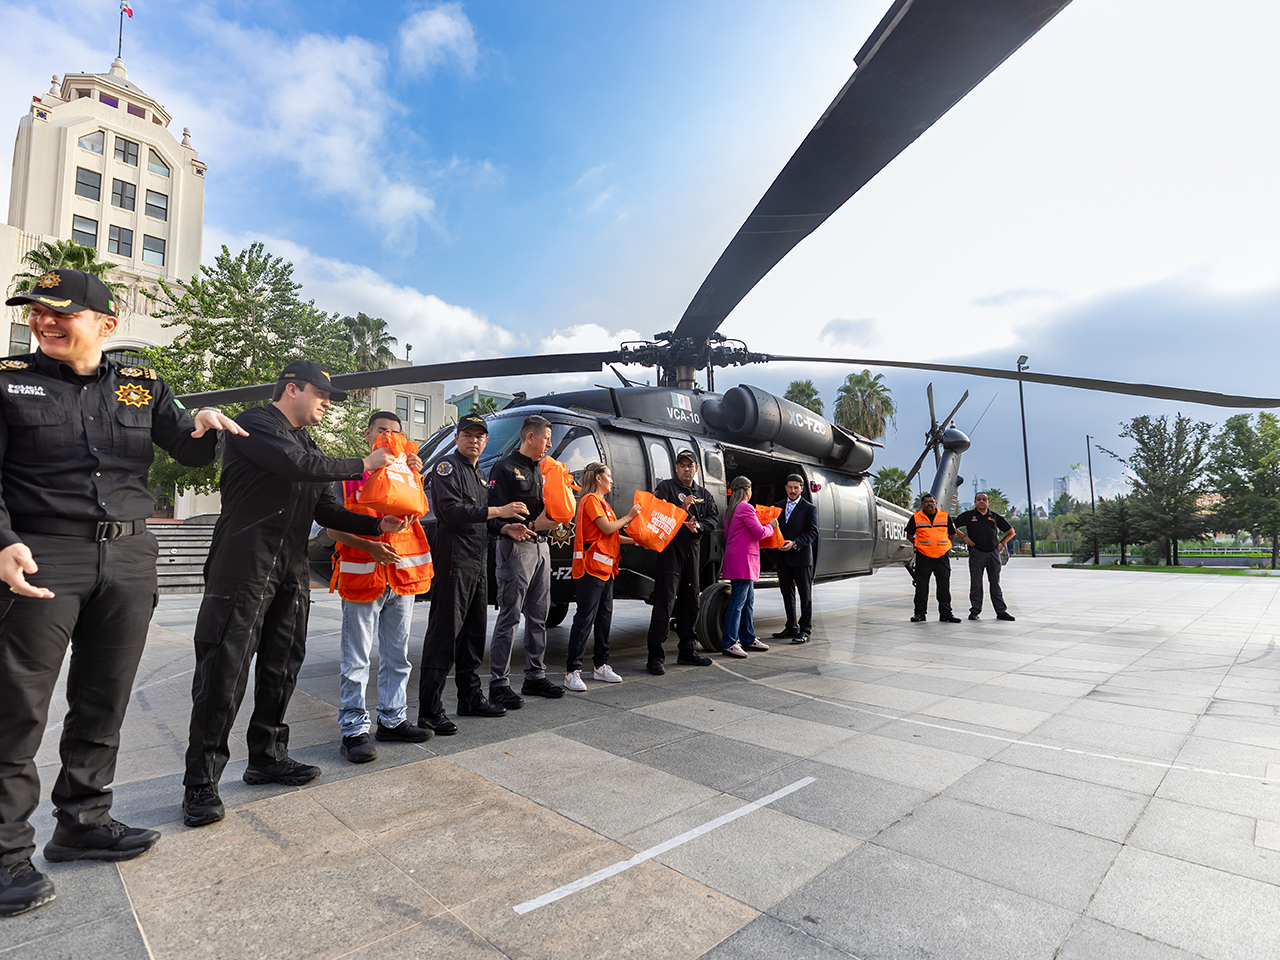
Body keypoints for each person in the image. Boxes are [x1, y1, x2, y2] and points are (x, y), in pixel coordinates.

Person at [0, 269, 243, 916]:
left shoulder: (142, 385)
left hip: (131, 555)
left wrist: (208, 425)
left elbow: (187, 454)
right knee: (17, 706)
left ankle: (83, 822)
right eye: (36, 312)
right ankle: (4, 855)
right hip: (41, 551)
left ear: (105, 325)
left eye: (61, 312)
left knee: (103, 696)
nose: (44, 321)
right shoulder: (7, 381)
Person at [183, 361, 406, 829]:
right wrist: (364, 465)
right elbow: (296, 466)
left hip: (290, 568)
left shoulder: (307, 442)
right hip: (243, 566)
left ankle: (266, 757)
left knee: (283, 665)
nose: (327, 404)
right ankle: (200, 784)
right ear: (292, 389)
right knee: (223, 673)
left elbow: (326, 506)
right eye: (322, 395)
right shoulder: (256, 424)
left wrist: (374, 524)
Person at [328, 411, 434, 764]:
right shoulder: (348, 477)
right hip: (362, 577)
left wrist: (413, 472)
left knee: (397, 657)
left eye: (395, 433)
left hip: (402, 579)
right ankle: (354, 730)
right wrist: (371, 545)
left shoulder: (409, 476)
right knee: (356, 659)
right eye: (382, 431)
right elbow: (331, 528)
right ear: (369, 435)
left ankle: (393, 719)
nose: (388, 437)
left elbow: (417, 515)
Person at [415, 415, 528, 734]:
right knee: (444, 633)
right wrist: (499, 511)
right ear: (456, 436)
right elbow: (450, 512)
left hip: (478, 561)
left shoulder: (478, 473)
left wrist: (505, 525)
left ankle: (469, 697)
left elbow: (481, 518)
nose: (474, 440)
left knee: (474, 633)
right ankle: (429, 709)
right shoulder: (446, 468)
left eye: (480, 436)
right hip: (454, 559)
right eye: (468, 435)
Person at [486, 414, 566, 706]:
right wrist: (531, 525)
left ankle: (535, 676)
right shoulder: (504, 468)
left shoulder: (540, 471)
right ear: (530, 437)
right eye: (546, 438)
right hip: (515, 548)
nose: (549, 444)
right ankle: (499, 683)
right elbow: (490, 517)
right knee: (510, 615)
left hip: (542, 547)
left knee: (539, 615)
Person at [563, 462, 640, 691]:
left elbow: (611, 534)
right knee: (585, 618)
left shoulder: (603, 504)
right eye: (609, 476)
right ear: (598, 478)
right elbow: (608, 528)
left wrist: (635, 540)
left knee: (604, 618)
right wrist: (629, 517)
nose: (612, 480)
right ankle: (572, 670)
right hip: (591, 568)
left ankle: (601, 665)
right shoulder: (590, 501)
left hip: (605, 569)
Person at [644, 449, 720, 674]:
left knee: (691, 602)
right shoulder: (666, 488)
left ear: (696, 468)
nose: (686, 469)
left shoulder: (704, 494)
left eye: (690, 465)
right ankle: (655, 657)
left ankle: (688, 651)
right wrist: (680, 512)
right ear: (676, 468)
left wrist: (699, 526)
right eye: (682, 465)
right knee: (665, 603)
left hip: (692, 552)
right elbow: (652, 513)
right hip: (670, 552)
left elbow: (713, 518)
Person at [720, 476, 778, 658]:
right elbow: (759, 532)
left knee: (747, 601)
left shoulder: (730, 510)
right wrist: (771, 526)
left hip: (738, 559)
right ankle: (730, 642)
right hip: (744, 561)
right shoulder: (745, 507)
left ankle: (748, 638)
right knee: (738, 602)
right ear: (747, 490)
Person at [772, 474, 819, 644]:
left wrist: (795, 543)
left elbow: (813, 532)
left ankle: (805, 629)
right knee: (786, 593)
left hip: (801, 557)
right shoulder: (777, 507)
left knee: (805, 595)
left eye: (796, 487)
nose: (792, 491)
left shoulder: (809, 508)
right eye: (790, 487)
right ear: (785, 488)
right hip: (782, 557)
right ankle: (791, 626)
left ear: (801, 488)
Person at [955, 491, 1016, 621]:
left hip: (993, 553)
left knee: (995, 583)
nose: (981, 501)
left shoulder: (994, 516)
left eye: (984, 499)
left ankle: (1001, 611)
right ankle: (975, 611)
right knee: (976, 583)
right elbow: (951, 526)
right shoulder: (969, 516)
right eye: (979, 499)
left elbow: (1011, 532)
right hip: (976, 552)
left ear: (988, 502)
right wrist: (964, 537)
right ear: (975, 502)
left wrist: (1002, 543)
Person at [905, 492, 961, 623]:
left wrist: (943, 543)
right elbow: (909, 535)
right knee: (921, 586)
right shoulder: (916, 517)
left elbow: (952, 534)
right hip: (924, 556)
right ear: (922, 504)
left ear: (936, 503)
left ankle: (946, 614)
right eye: (926, 502)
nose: (929, 504)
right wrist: (919, 544)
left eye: (932, 501)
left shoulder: (945, 516)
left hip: (942, 556)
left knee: (944, 586)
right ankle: (919, 613)